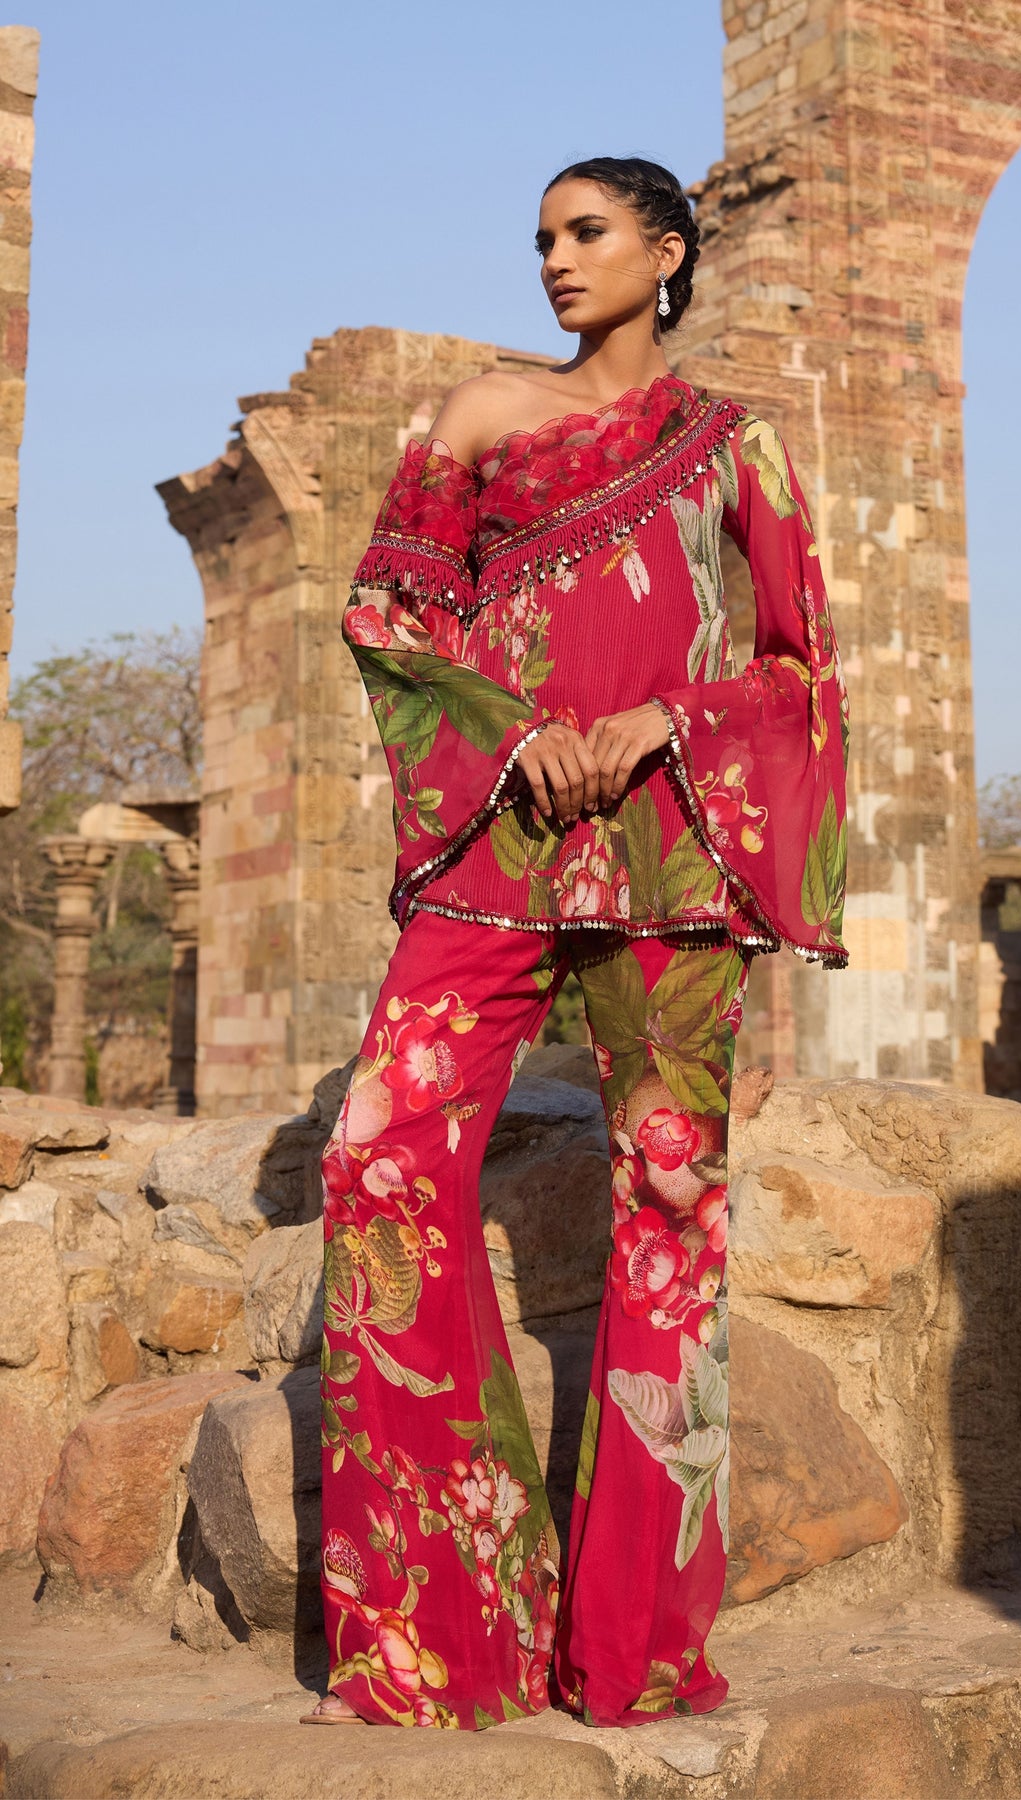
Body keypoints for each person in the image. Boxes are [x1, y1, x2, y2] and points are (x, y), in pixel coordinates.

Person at [303, 155, 848, 1732]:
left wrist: (669, 716)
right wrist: (518, 730)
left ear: (667, 252)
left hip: (669, 858)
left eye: (588, 232)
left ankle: (636, 1650)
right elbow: (387, 615)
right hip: (502, 846)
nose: (555, 258)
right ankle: (437, 1634)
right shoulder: (480, 416)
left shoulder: (735, 442)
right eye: (542, 236)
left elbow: (802, 668)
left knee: (671, 1214)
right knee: (376, 1157)